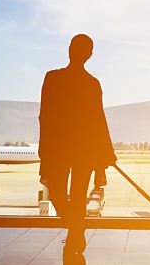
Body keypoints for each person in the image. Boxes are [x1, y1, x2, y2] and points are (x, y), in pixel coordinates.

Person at [39, 34, 116, 223]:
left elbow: (45, 116)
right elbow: (99, 122)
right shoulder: (91, 84)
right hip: (81, 150)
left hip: (63, 149)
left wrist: (44, 150)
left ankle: (74, 235)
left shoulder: (54, 78)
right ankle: (76, 233)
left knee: (63, 196)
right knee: (76, 198)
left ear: (70, 50)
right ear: (90, 54)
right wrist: (106, 154)